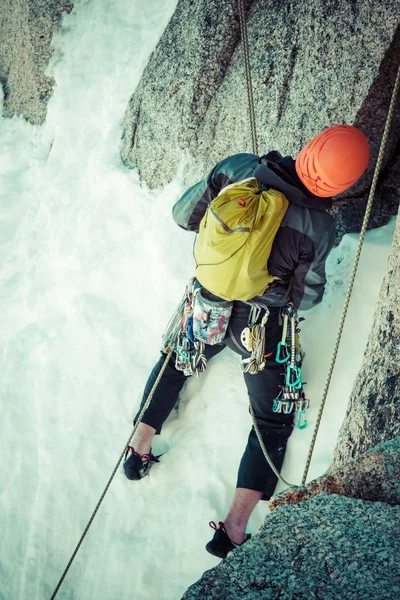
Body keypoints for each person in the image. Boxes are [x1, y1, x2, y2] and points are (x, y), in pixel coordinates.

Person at [123, 124, 370, 558]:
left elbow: (186, 216)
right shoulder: (319, 226)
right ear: (343, 185)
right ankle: (234, 528)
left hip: (208, 301)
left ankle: (138, 446)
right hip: (261, 326)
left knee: (177, 361)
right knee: (271, 419)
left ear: (310, 146)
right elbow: (307, 296)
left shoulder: (240, 169)